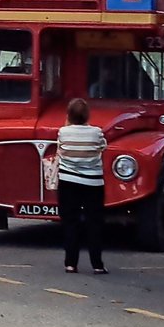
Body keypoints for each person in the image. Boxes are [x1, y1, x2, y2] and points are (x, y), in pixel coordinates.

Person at [57, 97, 108, 274]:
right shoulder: (97, 132)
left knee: (70, 222)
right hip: (93, 182)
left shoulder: (63, 132)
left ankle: (70, 263)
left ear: (68, 115)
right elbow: (102, 147)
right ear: (87, 115)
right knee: (94, 223)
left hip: (68, 181)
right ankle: (97, 264)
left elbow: (60, 149)